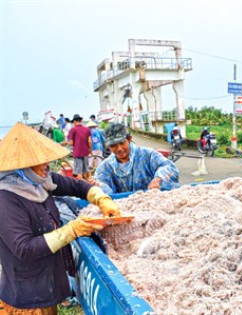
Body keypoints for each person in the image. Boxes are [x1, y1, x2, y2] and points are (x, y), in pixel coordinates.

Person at [0, 122, 120, 314]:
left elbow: (77, 187)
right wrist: (71, 230)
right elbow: (25, 248)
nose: (47, 166)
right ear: (22, 166)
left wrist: (102, 199)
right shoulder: (7, 199)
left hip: (47, 286)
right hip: (27, 297)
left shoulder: (41, 181)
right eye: (40, 161)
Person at [93, 123, 179, 194]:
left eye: (122, 143)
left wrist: (158, 179)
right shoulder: (104, 167)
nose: (119, 149)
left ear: (129, 139)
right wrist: (98, 186)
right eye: (113, 145)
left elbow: (169, 167)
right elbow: (102, 185)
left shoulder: (148, 155)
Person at [68, 114, 91, 179]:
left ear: (74, 121)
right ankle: (90, 183)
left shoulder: (73, 130)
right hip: (86, 152)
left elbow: (71, 143)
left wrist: (66, 143)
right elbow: (89, 141)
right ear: (80, 120)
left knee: (79, 172)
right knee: (86, 170)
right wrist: (90, 150)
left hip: (77, 152)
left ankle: (81, 186)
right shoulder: (87, 129)